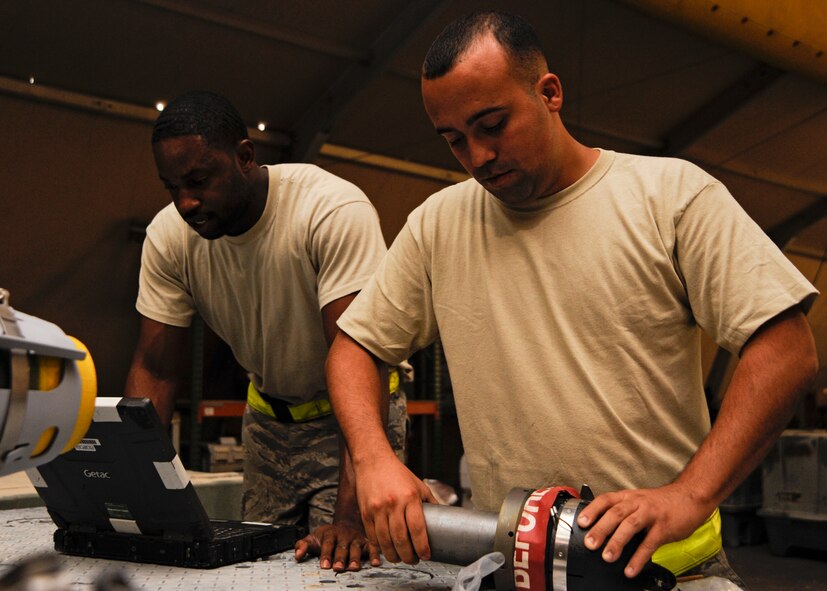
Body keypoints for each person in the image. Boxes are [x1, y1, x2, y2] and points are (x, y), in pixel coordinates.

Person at [324, 10, 819, 586]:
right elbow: (354, 346)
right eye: (455, 139)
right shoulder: (439, 224)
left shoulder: (670, 197)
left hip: (665, 570)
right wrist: (373, 458)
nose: (478, 155)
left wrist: (690, 493)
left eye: (492, 124)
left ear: (549, 92)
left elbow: (786, 350)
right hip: (523, 571)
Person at [124, 91, 406, 569]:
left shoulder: (329, 210)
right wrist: (132, 499)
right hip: (268, 424)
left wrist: (350, 514)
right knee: (251, 568)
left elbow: (360, 356)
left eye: (198, 180)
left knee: (341, 567)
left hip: (356, 418)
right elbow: (155, 370)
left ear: (245, 157)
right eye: (172, 187)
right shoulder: (170, 237)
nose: (186, 202)